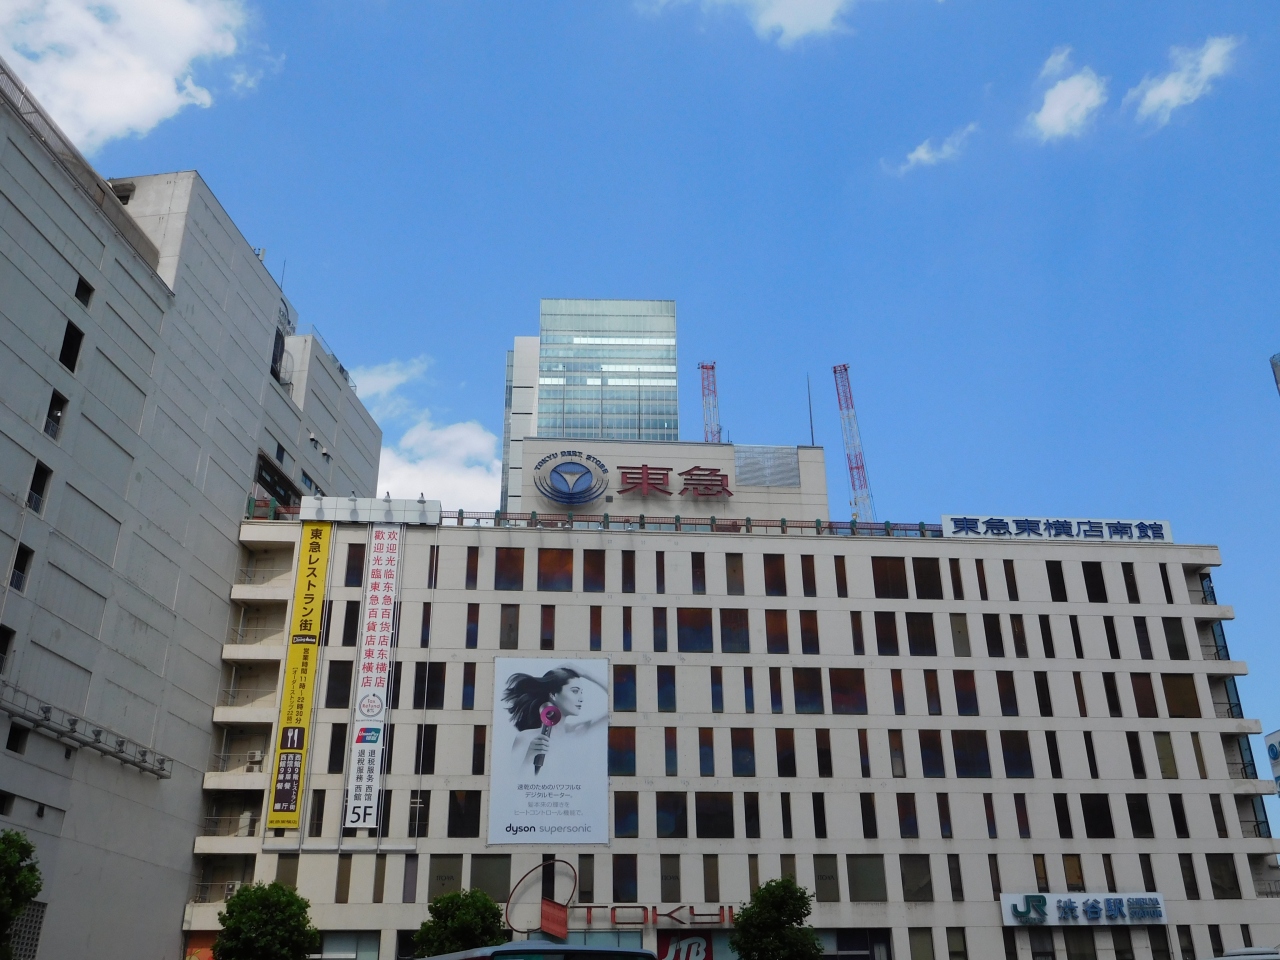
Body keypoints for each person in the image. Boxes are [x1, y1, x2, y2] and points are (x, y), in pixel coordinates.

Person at [502, 665, 608, 776]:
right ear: (553, 695)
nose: (581, 699)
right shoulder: (525, 738)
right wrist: (529, 758)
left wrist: (585, 673)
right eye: (575, 691)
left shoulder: (579, 731)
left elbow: (615, 706)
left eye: (581, 692)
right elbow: (513, 781)